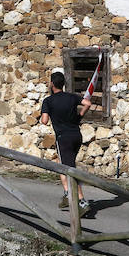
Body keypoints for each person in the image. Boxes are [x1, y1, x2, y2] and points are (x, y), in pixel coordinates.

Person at [39, 71, 92, 212]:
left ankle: (82, 202)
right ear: (63, 84)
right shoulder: (71, 97)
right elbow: (87, 103)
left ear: (51, 84)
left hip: (64, 138)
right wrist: (80, 115)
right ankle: (67, 194)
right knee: (61, 164)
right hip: (76, 136)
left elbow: (44, 121)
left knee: (70, 169)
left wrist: (45, 116)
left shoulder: (48, 101)